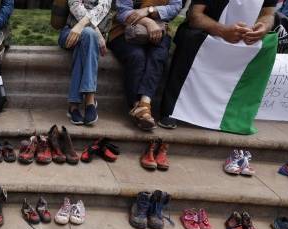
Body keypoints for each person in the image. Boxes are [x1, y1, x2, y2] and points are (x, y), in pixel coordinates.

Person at [159, 0, 277, 131]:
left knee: (269, 45)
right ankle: (171, 110)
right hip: (208, 31)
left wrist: (263, 27)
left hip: (243, 37)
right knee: (190, 38)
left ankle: (236, 115)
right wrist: (223, 31)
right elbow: (195, 16)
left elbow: (268, 14)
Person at [108, 0, 182, 131]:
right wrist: (148, 22)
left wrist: (149, 11)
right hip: (123, 30)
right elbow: (122, 12)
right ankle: (140, 109)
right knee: (137, 56)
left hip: (159, 29)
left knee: (158, 56)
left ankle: (144, 102)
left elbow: (175, 8)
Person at [59, 0, 110, 126]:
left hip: (86, 34)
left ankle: (73, 106)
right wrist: (96, 34)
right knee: (89, 35)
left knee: (87, 36)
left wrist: (83, 26)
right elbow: (75, 6)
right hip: (70, 31)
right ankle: (90, 100)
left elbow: (103, 7)